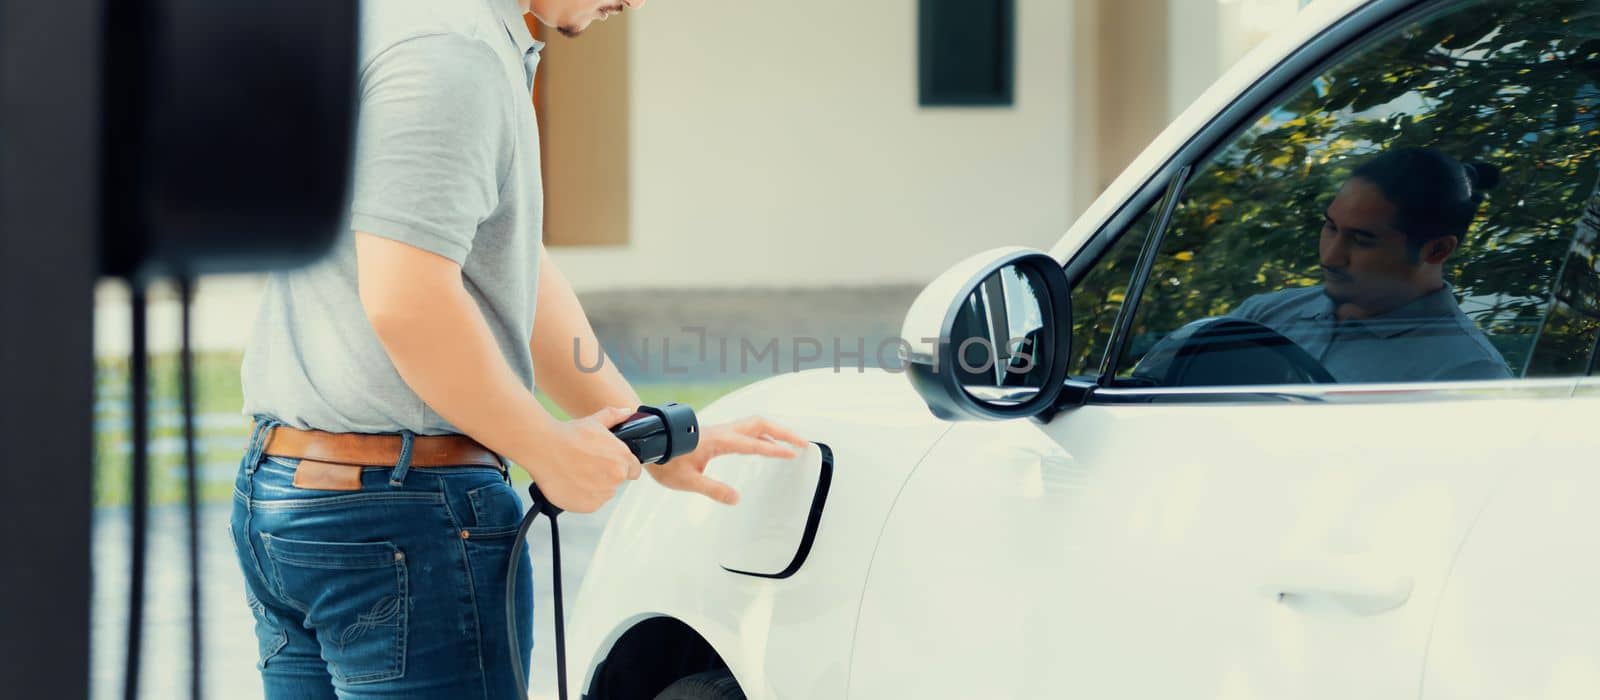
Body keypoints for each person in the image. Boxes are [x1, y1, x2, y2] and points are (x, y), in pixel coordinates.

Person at [228, 1, 807, 697]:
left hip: (291, 496)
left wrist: (644, 431)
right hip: (404, 523)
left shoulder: (406, 23)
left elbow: (505, 267)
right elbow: (409, 300)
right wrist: (547, 447)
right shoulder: (455, 53)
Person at [1227, 147, 1513, 382]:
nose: (1330, 257)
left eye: (1363, 239)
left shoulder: (1469, 374)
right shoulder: (1264, 316)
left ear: (1437, 249)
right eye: (1330, 227)